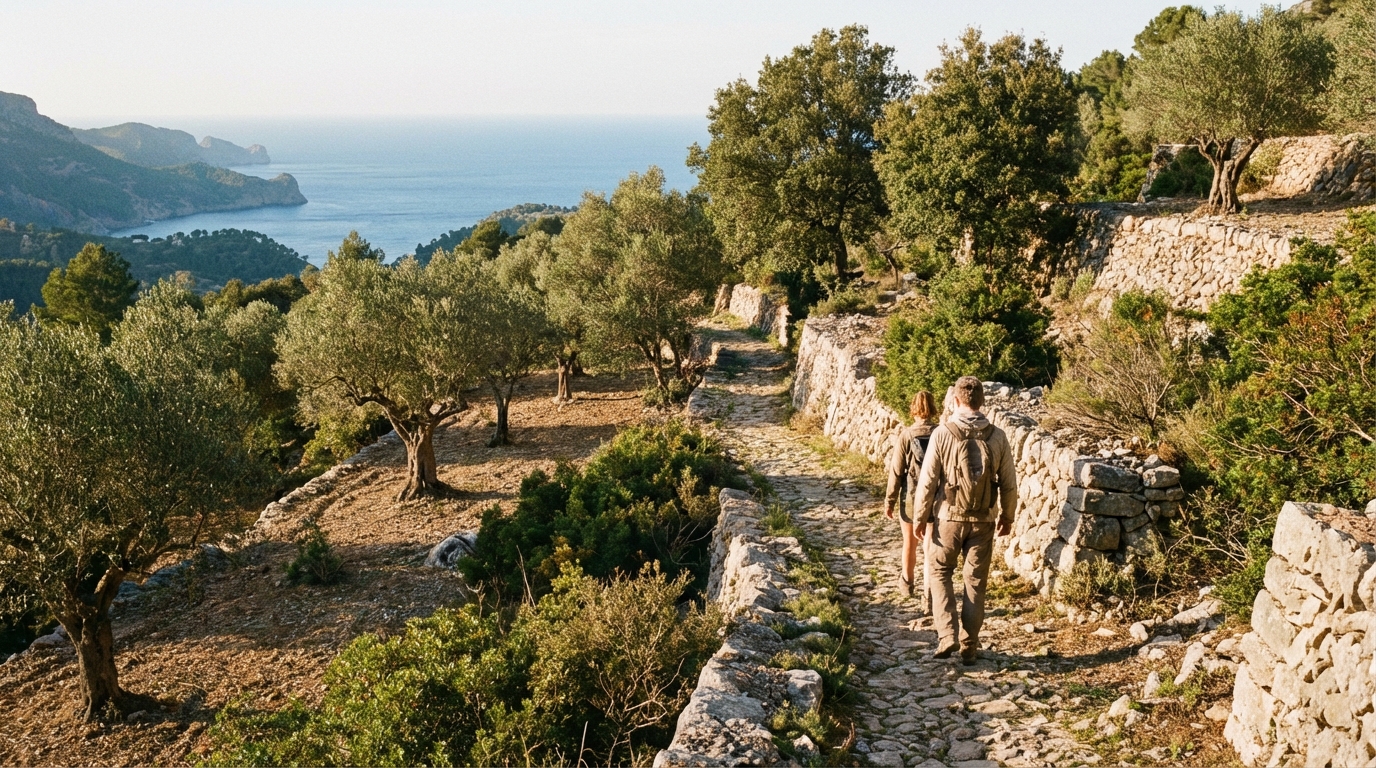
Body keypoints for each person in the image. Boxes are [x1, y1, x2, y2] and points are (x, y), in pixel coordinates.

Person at [912, 376, 1018, 664]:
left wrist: (920, 517)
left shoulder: (943, 433)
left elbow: (928, 480)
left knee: (940, 572)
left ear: (956, 401)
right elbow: (1008, 483)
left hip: (947, 517)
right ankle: (969, 642)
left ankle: (947, 635)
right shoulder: (997, 436)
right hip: (983, 521)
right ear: (982, 402)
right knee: (975, 582)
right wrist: (1007, 516)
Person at [884, 391, 938, 601]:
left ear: (913, 408)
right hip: (934, 496)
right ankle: (929, 591)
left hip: (911, 496)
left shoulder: (906, 435)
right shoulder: (941, 432)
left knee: (910, 542)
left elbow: (896, 471)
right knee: (930, 546)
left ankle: (907, 582)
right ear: (933, 408)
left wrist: (889, 500)